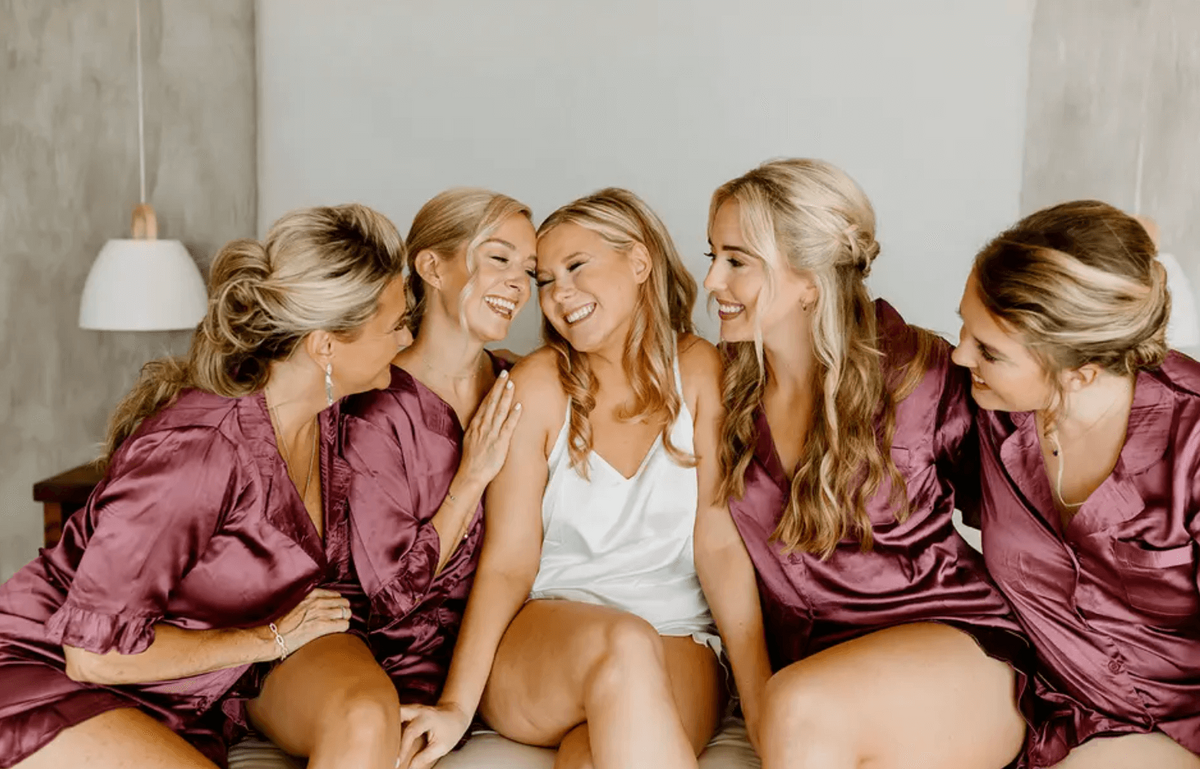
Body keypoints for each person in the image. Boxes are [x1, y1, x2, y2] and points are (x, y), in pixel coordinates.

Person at [0, 204, 408, 769]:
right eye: (395, 325)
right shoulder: (198, 452)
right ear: (326, 345)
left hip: (189, 687)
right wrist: (271, 639)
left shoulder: (325, 416)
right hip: (53, 676)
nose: (406, 337)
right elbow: (92, 655)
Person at [696, 159, 1028, 769]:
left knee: (798, 706)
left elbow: (1026, 521)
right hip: (813, 675)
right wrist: (757, 691)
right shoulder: (724, 385)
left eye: (737, 260)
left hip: (955, 647)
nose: (712, 281)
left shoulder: (921, 373)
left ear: (808, 280)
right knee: (795, 706)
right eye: (712, 254)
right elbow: (719, 550)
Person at [399, 188, 725, 769]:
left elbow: (720, 547)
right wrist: (454, 705)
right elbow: (507, 561)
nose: (558, 295)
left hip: (677, 635)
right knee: (623, 641)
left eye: (576, 268)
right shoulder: (538, 384)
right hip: (546, 636)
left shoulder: (700, 370)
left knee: (591, 754)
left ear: (639, 262)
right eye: (544, 280)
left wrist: (761, 691)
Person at [953, 200, 1200, 768]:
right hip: (1045, 707)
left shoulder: (1190, 444)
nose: (961, 353)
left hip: (1176, 729)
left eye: (988, 350)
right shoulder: (990, 411)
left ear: (1081, 372)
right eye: (965, 326)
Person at [341, 189, 533, 709]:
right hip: (397, 662)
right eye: (499, 259)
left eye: (530, 271)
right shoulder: (375, 410)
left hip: (506, 651)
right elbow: (391, 597)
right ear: (431, 266)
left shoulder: (519, 381)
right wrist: (471, 477)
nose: (518, 284)